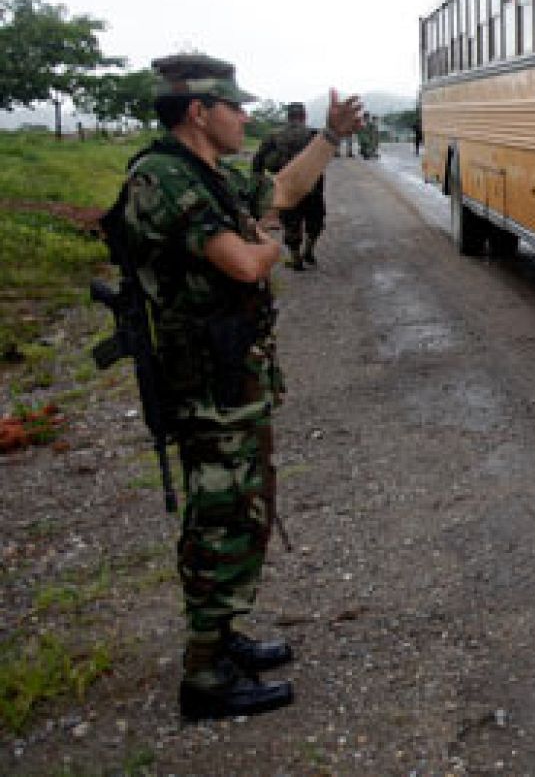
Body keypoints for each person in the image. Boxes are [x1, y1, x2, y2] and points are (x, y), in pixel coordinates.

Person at [117, 52, 362, 719]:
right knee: (220, 516)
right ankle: (204, 676)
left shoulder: (210, 174)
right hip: (205, 382)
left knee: (244, 508)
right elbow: (246, 263)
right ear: (199, 112)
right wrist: (269, 243)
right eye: (235, 107)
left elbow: (280, 191)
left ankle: (222, 638)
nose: (245, 118)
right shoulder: (163, 178)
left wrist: (330, 138)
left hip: (231, 374)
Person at [251, 102, 325, 270]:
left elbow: (258, 161)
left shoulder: (274, 136)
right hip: (313, 187)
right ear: (304, 116)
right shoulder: (313, 134)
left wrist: (259, 184)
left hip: (287, 187)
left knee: (291, 222)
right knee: (315, 220)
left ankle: (296, 259)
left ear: (288, 117)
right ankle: (309, 250)